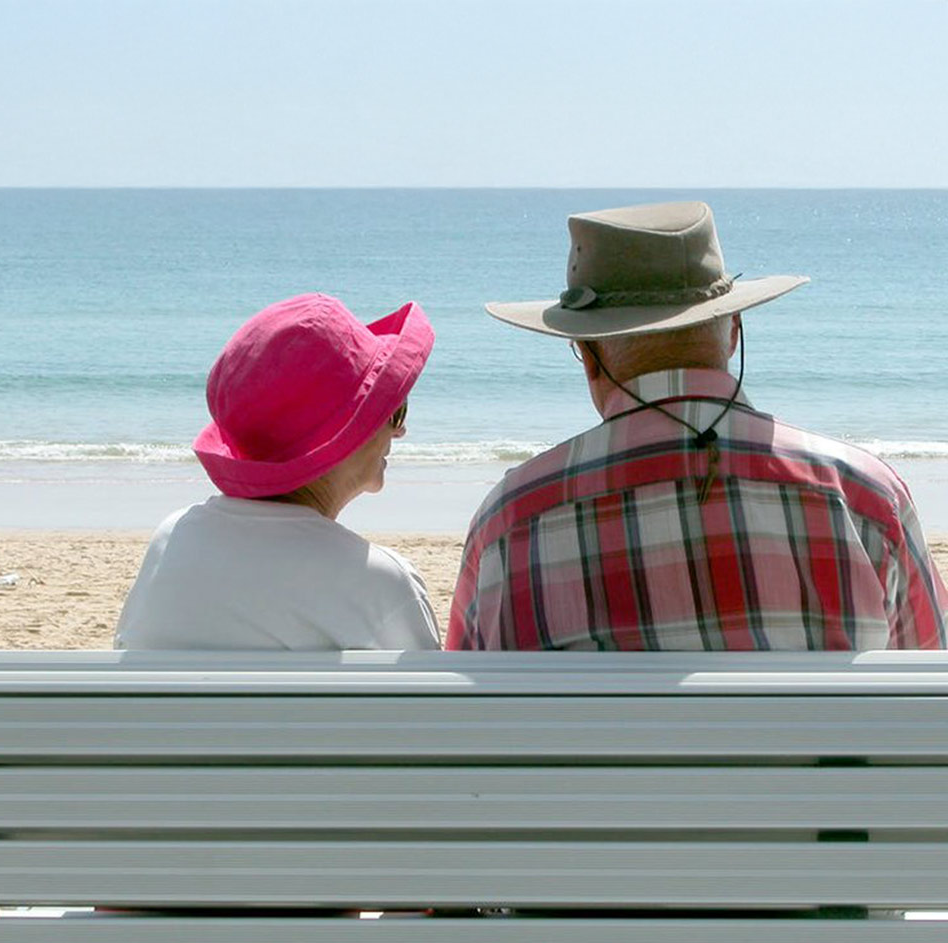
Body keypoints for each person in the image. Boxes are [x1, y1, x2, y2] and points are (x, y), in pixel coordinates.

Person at [450, 200, 948, 651]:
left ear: (588, 355)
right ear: (733, 331)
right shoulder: (862, 496)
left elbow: (467, 722)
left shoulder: (510, 521)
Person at [116, 292, 441, 651]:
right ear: (346, 437)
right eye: (393, 412)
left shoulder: (172, 541)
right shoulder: (382, 585)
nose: (400, 430)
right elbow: (437, 708)